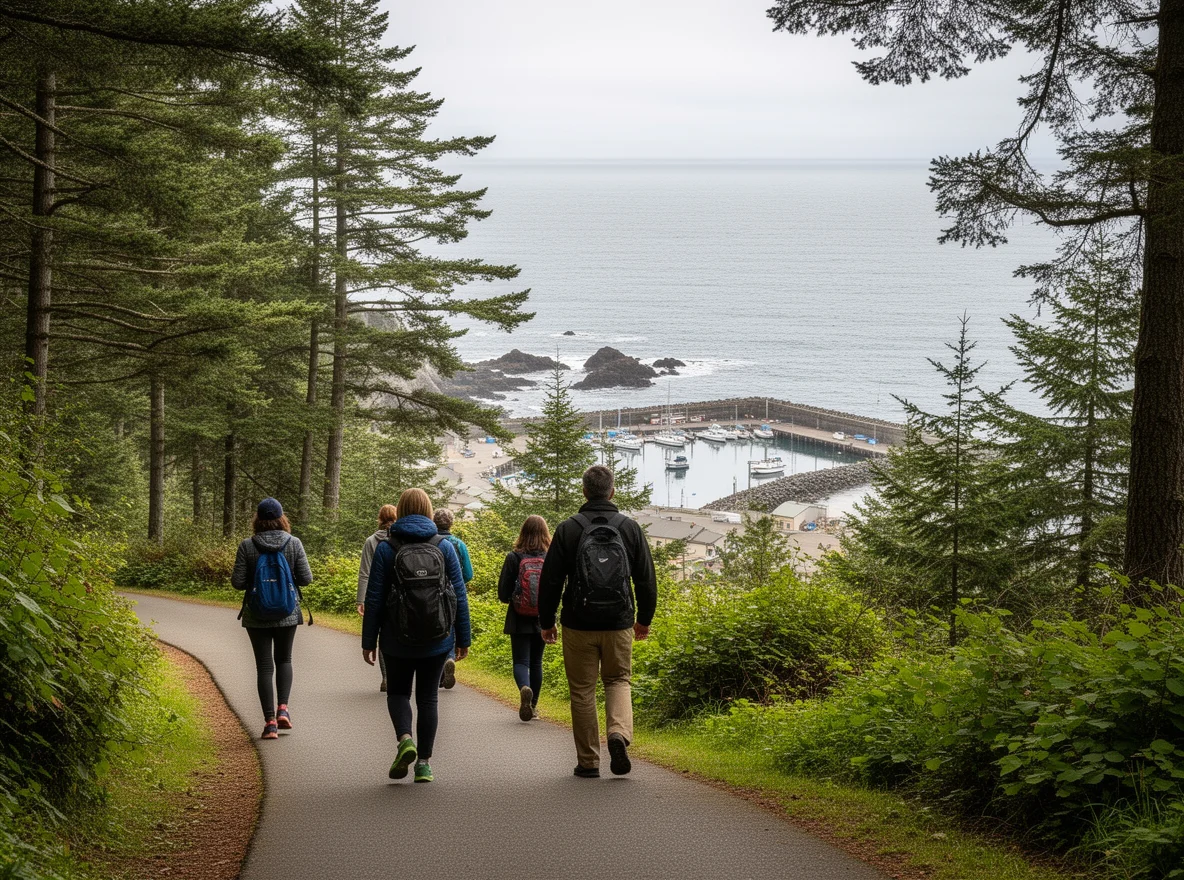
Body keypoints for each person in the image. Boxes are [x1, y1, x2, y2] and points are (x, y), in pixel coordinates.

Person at [538, 465, 657, 778]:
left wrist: (546, 621)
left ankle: (589, 762)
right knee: (618, 680)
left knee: (582, 691)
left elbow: (550, 580)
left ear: (584, 491)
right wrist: (643, 618)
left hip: (578, 622)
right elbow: (646, 578)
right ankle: (618, 734)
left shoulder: (568, 528)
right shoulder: (629, 528)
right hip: (619, 622)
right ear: (612, 491)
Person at [362, 488, 471, 783]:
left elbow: (374, 598)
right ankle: (424, 763)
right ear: (427, 509)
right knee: (428, 699)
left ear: (400, 510)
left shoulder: (387, 548)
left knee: (398, 692)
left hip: (396, 639)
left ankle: (405, 740)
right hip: (437, 638)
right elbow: (458, 595)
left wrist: (368, 641)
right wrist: (463, 637)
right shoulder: (444, 546)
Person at [232, 497, 313, 740]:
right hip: (287, 612)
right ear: (281, 518)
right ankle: (283, 710)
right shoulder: (294, 543)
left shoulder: (247, 546)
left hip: (257, 614)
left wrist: (256, 583)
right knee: (284, 659)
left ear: (257, 519)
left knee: (264, 666)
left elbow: (237, 583)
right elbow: (306, 578)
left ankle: (269, 723)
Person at [497, 515, 551, 721]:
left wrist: (513, 597)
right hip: (543, 617)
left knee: (521, 661)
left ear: (523, 532)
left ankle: (524, 688)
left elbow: (503, 593)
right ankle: (533, 706)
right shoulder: (549, 557)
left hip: (518, 616)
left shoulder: (514, 557)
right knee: (537, 662)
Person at [358, 504, 398, 692]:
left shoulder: (371, 541)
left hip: (377, 594)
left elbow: (365, 573)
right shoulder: (401, 538)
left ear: (380, 519)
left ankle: (386, 677)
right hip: (399, 595)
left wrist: (361, 599)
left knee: (383, 635)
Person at [432, 508, 473, 690]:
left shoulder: (431, 542)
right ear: (451, 524)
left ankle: (440, 669)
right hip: (454, 594)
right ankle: (449, 659)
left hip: (432, 594)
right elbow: (468, 574)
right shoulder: (458, 544)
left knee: (438, 629)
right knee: (452, 629)